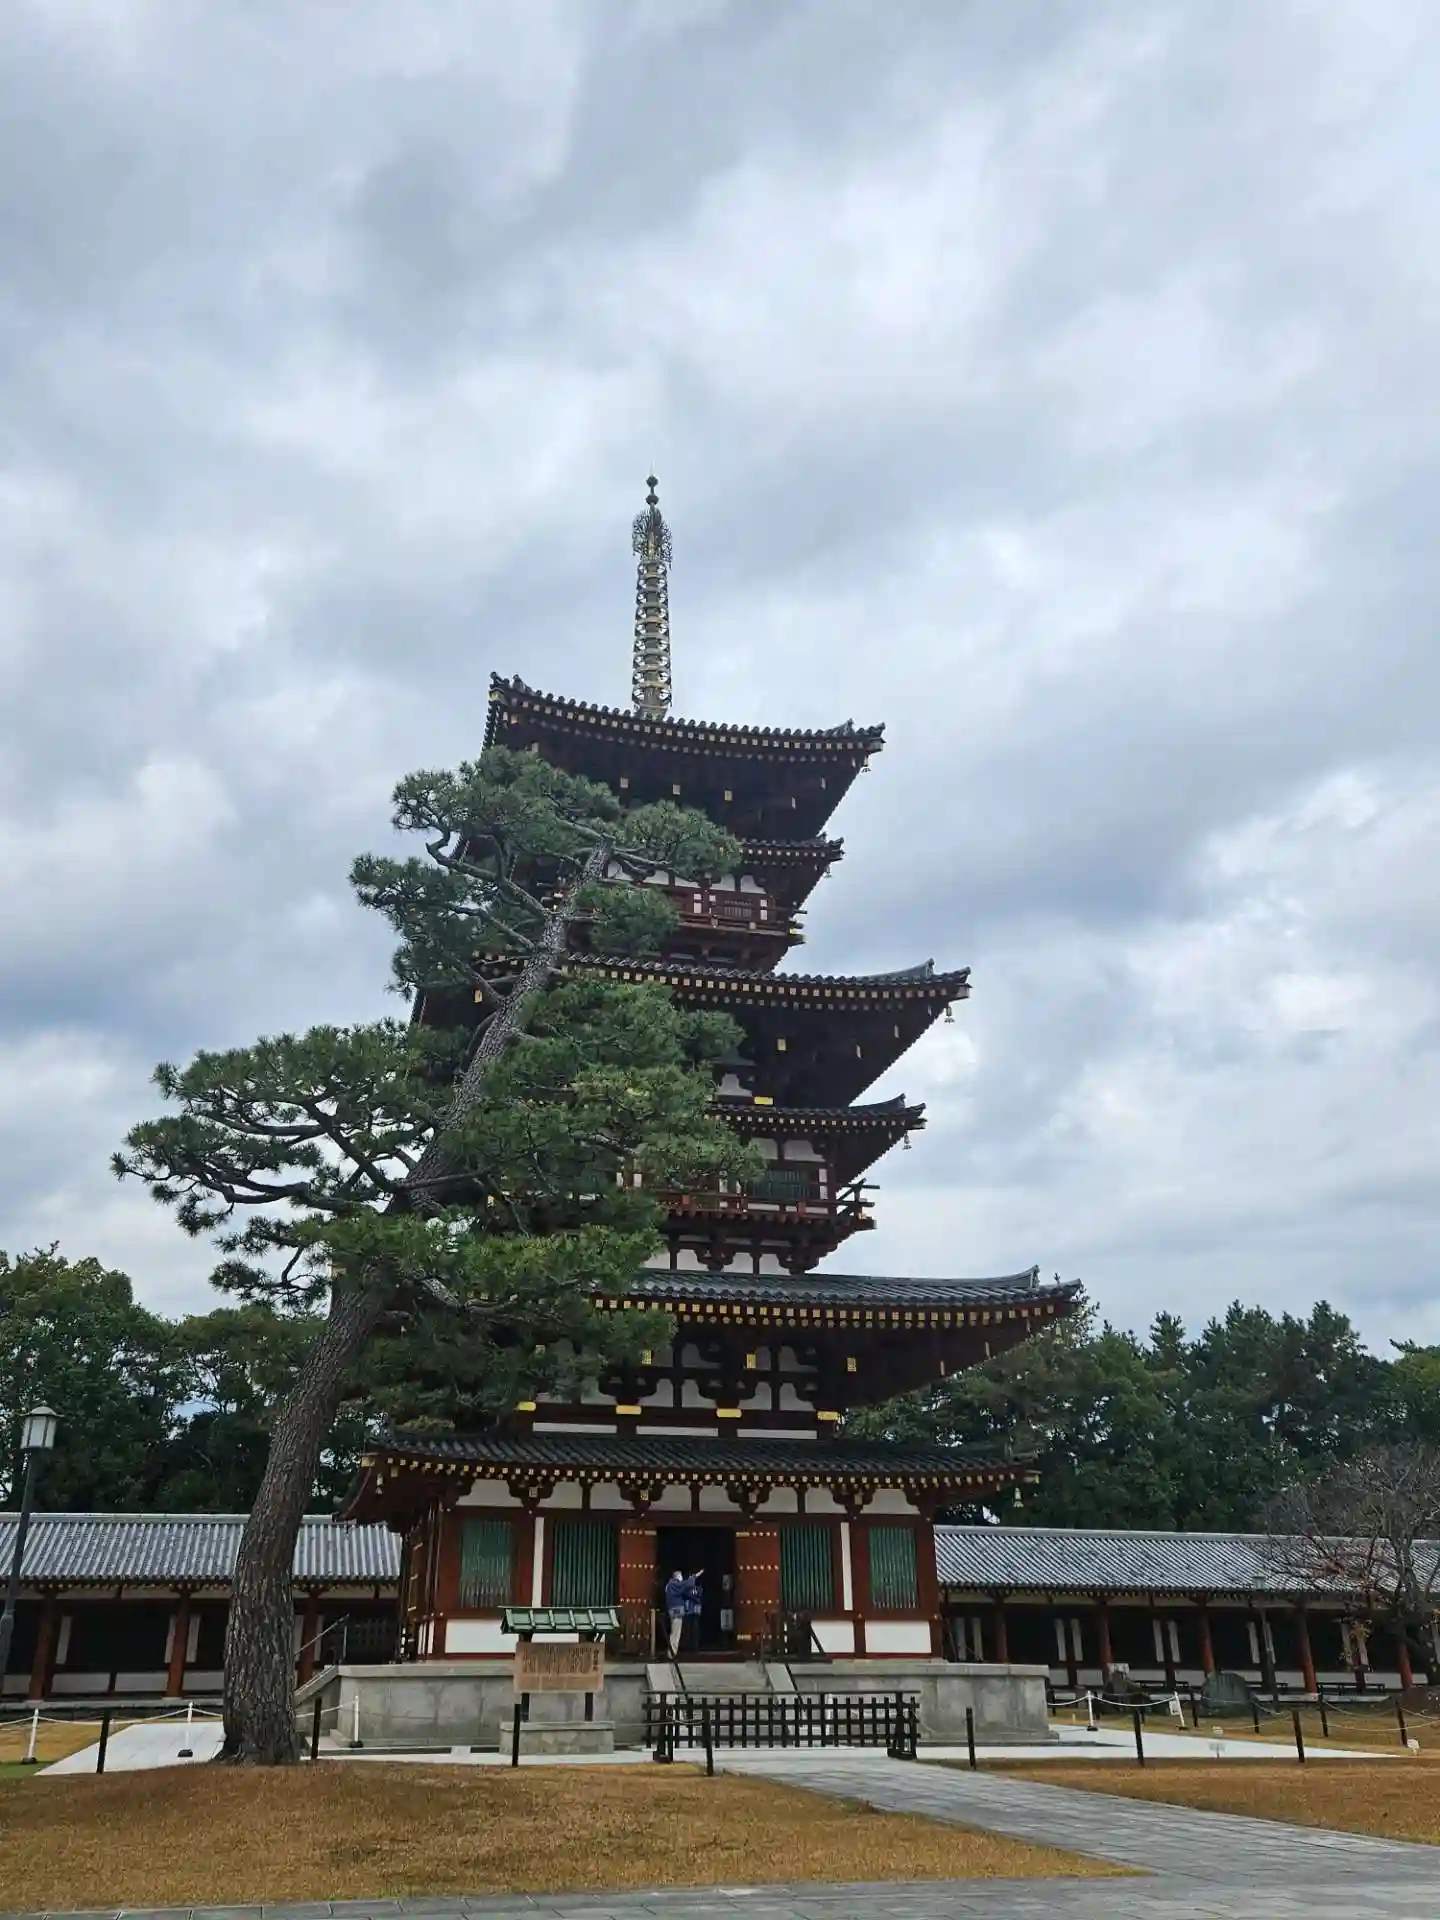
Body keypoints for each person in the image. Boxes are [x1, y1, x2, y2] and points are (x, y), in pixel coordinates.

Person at [664, 1569, 687, 1657]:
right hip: (677, 1611)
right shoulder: (675, 1584)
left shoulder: (669, 1585)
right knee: (676, 1633)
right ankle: (672, 1653)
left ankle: (671, 1652)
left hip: (672, 1610)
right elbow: (686, 1585)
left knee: (674, 1632)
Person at [681, 1569, 704, 1652]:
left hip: (695, 1610)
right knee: (687, 1628)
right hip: (688, 1610)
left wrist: (691, 1596)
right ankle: (687, 1645)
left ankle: (695, 1646)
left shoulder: (699, 1588)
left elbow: (699, 1596)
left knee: (695, 1628)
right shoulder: (686, 1587)